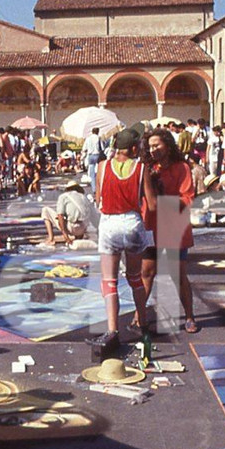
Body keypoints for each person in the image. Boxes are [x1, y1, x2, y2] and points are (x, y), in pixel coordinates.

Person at [94, 125, 156, 354]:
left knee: (109, 281)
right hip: (132, 223)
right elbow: (152, 204)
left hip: (109, 223)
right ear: (133, 148)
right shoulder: (141, 169)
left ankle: (112, 331)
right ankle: (143, 322)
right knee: (135, 278)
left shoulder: (102, 166)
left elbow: (98, 198)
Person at [139, 127, 198, 332]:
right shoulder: (147, 167)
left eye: (157, 145)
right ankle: (139, 315)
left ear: (168, 145)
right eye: (150, 146)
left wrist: (161, 200)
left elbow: (188, 198)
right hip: (151, 226)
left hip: (174, 226)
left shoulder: (181, 168)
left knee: (178, 274)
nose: (153, 149)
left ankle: (189, 316)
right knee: (146, 272)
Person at [40, 180, 99, 248]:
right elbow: (95, 217)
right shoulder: (84, 197)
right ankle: (78, 237)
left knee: (45, 210)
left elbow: (60, 215)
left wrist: (65, 236)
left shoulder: (63, 197)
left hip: (72, 227)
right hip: (83, 228)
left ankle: (51, 239)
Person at [80, 125, 106, 192]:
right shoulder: (98, 138)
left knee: (92, 173)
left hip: (90, 155)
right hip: (97, 155)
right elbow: (102, 148)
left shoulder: (88, 138)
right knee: (98, 171)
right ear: (97, 132)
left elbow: (84, 148)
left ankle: (94, 188)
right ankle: (99, 187)